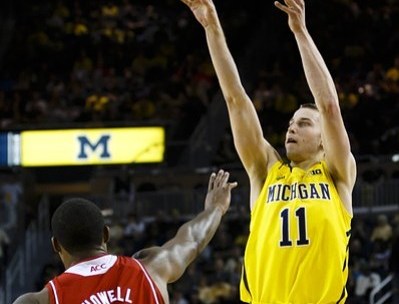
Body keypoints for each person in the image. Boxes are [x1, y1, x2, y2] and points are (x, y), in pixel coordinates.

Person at [180, 0, 357, 303]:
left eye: (303, 124)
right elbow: (235, 99)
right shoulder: (265, 172)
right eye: (290, 123)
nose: (291, 128)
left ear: (323, 141)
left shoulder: (337, 174)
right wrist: (212, 27)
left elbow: (329, 105)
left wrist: (300, 31)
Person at [12, 169, 237, 304]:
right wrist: (215, 208)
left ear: (55, 246)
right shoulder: (151, 269)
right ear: (106, 233)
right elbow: (192, 240)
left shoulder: (40, 300)